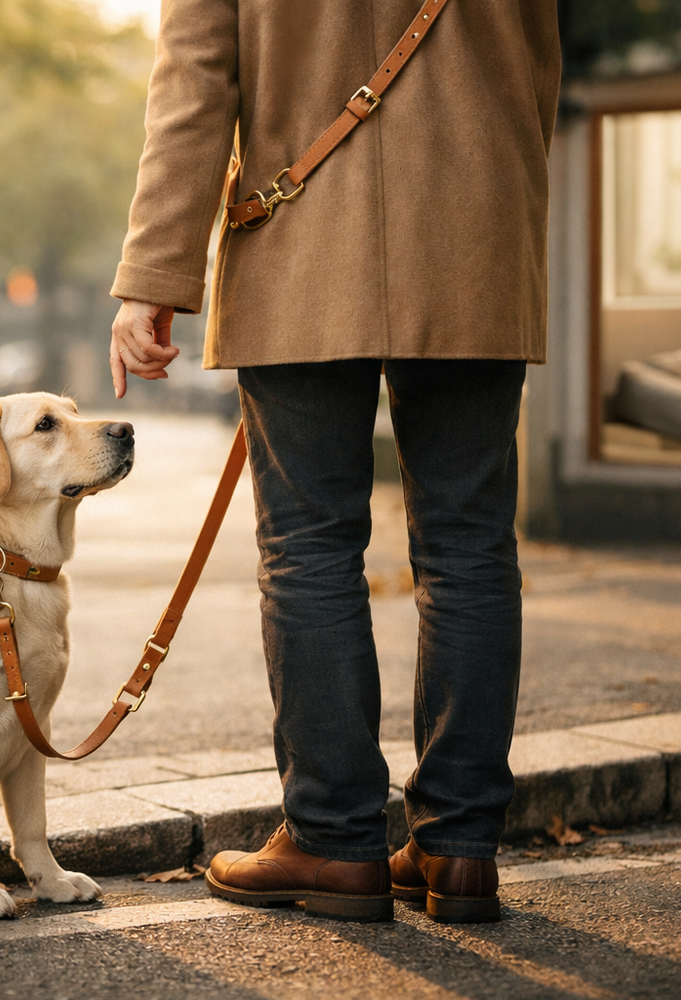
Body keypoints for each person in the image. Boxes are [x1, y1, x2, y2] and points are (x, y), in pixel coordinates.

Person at [109, 0, 560, 923]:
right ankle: (460, 847)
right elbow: (538, 67)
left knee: (309, 549)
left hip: (300, 237)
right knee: (471, 549)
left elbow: (195, 82)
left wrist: (156, 275)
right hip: (477, 234)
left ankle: (333, 839)